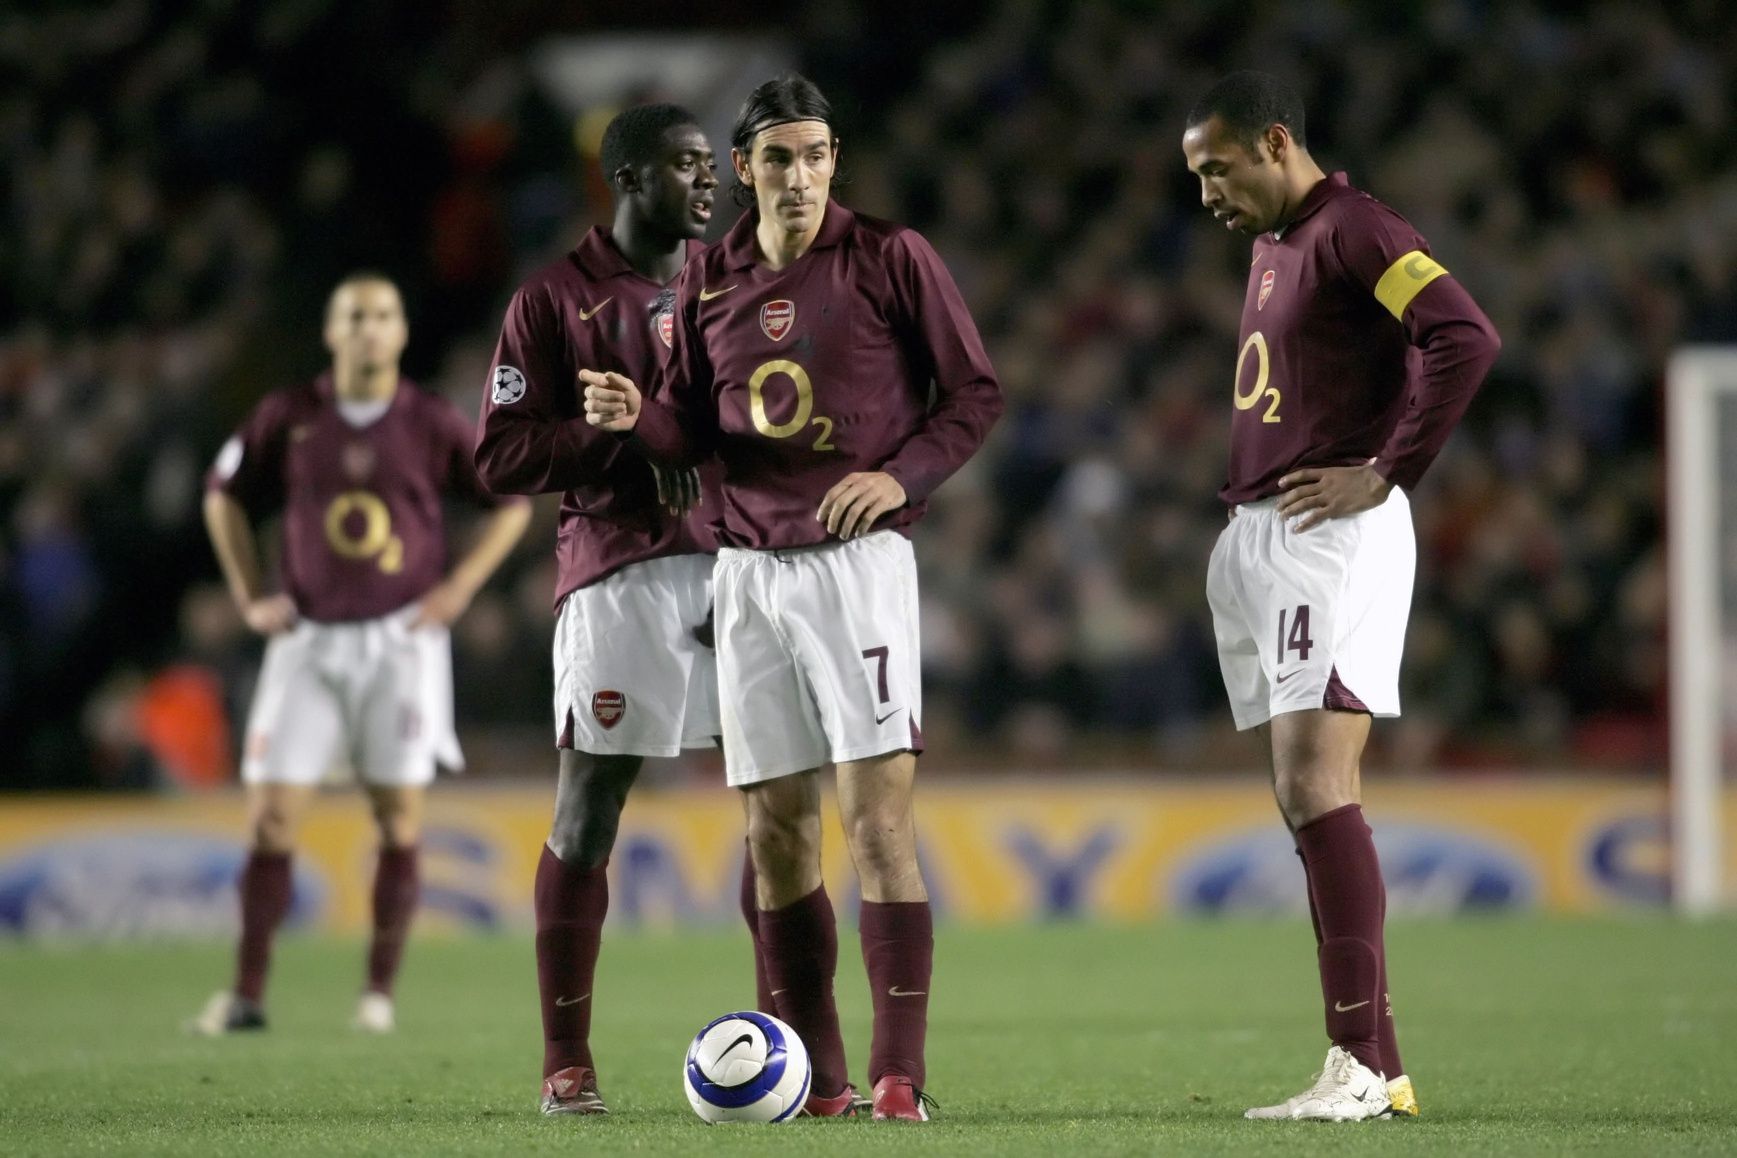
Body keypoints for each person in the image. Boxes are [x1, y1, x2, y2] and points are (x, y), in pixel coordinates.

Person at [582, 74, 1002, 1122]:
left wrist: (902, 478)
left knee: (876, 821)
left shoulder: (889, 257)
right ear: (743, 170)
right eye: (780, 159)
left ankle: (901, 1075)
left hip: (854, 568)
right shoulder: (708, 281)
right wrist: (639, 416)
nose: (801, 176)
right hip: (748, 574)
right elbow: (689, 432)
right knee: (774, 831)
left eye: (817, 155)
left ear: (834, 159)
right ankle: (821, 1080)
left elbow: (975, 393)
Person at [1182, 71, 1500, 1121]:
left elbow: (1464, 334)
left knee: (1320, 785)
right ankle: (1381, 1067)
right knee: (1301, 792)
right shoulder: (1278, 246)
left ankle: (1358, 1067)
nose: (1207, 195)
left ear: (1275, 143)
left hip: (1331, 532)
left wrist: (1388, 470)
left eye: (1217, 169)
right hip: (1268, 532)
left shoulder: (1357, 227)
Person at [474, 103, 768, 1117]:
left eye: (712, 166)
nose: (711, 183)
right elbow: (501, 453)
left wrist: (679, 438)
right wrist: (610, 441)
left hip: (740, 569)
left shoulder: (735, 283)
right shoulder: (555, 298)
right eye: (689, 166)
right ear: (631, 177)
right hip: (617, 573)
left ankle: (796, 1043)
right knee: (589, 807)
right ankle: (567, 1064)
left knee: (776, 810)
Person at [188, 273, 531, 1036]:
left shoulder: (431, 421)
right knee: (272, 819)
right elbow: (223, 494)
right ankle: (246, 994)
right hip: (305, 639)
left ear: (401, 333)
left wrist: (460, 588)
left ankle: (377, 995)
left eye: (382, 316)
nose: (369, 329)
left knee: (396, 817)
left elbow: (508, 500)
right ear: (331, 331)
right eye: (355, 317)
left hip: (399, 640)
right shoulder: (290, 415)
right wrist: (249, 593)